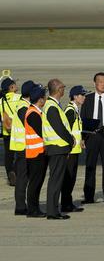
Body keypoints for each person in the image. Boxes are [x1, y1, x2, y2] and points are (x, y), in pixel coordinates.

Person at [82, 71, 104, 204]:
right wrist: (83, 138)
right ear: (95, 83)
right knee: (90, 166)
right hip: (92, 136)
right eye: (100, 82)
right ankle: (89, 196)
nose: (103, 85)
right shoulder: (88, 99)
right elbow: (83, 119)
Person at [42, 79, 75, 219]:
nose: (64, 89)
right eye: (62, 87)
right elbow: (59, 128)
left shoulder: (53, 105)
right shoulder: (51, 106)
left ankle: (54, 210)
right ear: (57, 89)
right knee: (55, 180)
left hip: (58, 148)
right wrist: (70, 140)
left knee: (56, 180)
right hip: (56, 148)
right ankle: (52, 211)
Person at [61, 85, 86, 213]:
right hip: (70, 151)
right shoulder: (70, 111)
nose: (84, 97)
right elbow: (66, 131)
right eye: (82, 95)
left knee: (71, 178)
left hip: (75, 150)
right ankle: (65, 204)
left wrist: (80, 140)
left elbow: (75, 130)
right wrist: (67, 149)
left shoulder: (75, 110)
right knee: (68, 179)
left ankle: (68, 203)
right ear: (75, 97)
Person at [24, 85, 48, 218]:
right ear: (40, 99)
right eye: (43, 97)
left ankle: (34, 208)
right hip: (35, 154)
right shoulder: (33, 114)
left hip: (38, 153)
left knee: (37, 182)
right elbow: (42, 132)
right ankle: (32, 210)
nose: (45, 99)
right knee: (35, 182)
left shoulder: (36, 112)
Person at [11, 80, 34, 214]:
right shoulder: (23, 108)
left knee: (24, 177)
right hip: (23, 148)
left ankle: (21, 205)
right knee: (22, 178)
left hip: (23, 147)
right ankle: (20, 207)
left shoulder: (24, 105)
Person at [1, 75, 18, 186]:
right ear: (11, 87)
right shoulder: (19, 98)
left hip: (7, 132)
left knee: (8, 155)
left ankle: (10, 175)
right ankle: (16, 172)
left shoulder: (1, 101)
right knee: (21, 154)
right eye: (14, 84)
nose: (16, 85)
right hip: (18, 132)